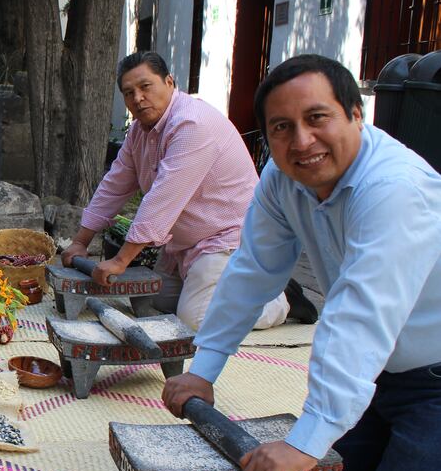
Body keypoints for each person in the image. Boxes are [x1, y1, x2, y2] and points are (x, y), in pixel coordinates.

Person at [163, 54, 441, 471]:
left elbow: (358, 315)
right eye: (282, 127)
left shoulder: (395, 189)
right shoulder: (282, 177)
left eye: (317, 119)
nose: (302, 142)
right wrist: (202, 369)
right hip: (385, 374)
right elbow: (251, 270)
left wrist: (305, 442)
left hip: (434, 375)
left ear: (356, 114)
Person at [60, 52, 317, 331]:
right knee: (157, 300)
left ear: (169, 82)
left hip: (228, 238)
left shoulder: (192, 124)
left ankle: (281, 300)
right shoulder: (139, 131)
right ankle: (238, 291)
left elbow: (163, 198)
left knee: (195, 319)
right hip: (185, 244)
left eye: (146, 87)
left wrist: (121, 260)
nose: (138, 98)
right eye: (128, 92)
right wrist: (81, 241)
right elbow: (115, 184)